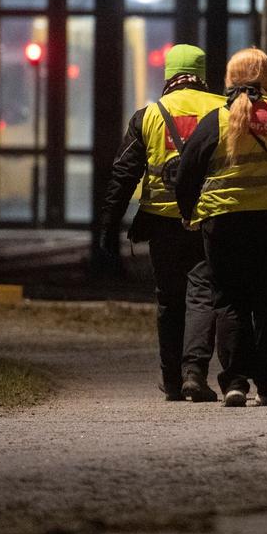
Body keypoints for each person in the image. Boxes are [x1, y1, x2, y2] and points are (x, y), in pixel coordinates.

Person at [175, 47, 267, 408]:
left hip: (225, 225)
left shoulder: (215, 120)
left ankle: (235, 384)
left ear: (229, 81)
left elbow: (186, 173)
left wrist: (188, 211)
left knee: (230, 302)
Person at [97, 44, 221, 403]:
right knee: (203, 294)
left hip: (162, 223)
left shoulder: (149, 115)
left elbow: (123, 174)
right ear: (203, 73)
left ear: (168, 75)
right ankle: (194, 373)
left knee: (169, 299)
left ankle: (170, 380)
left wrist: (108, 225)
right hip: (207, 219)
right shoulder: (222, 110)